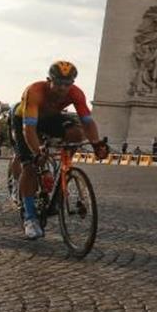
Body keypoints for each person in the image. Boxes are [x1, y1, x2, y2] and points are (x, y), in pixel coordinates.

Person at [10, 61, 109, 239]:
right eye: (59, 83)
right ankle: (30, 217)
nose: (63, 88)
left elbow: (87, 121)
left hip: (50, 117)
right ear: (49, 80)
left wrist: (96, 143)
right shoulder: (35, 91)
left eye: (67, 84)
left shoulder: (76, 93)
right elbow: (29, 130)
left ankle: (64, 170)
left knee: (75, 133)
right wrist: (37, 152)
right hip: (24, 120)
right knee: (30, 166)